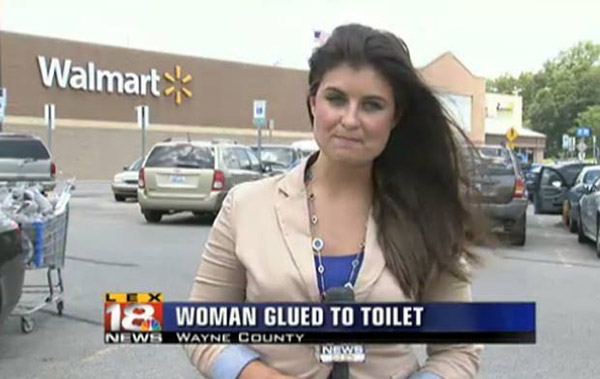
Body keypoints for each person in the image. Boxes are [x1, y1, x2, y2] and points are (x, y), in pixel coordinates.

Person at [185, 23, 484, 379]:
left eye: (372, 105)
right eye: (336, 99)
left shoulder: (428, 216)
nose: (350, 119)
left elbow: (458, 350)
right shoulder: (245, 206)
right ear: (313, 103)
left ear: (395, 116)